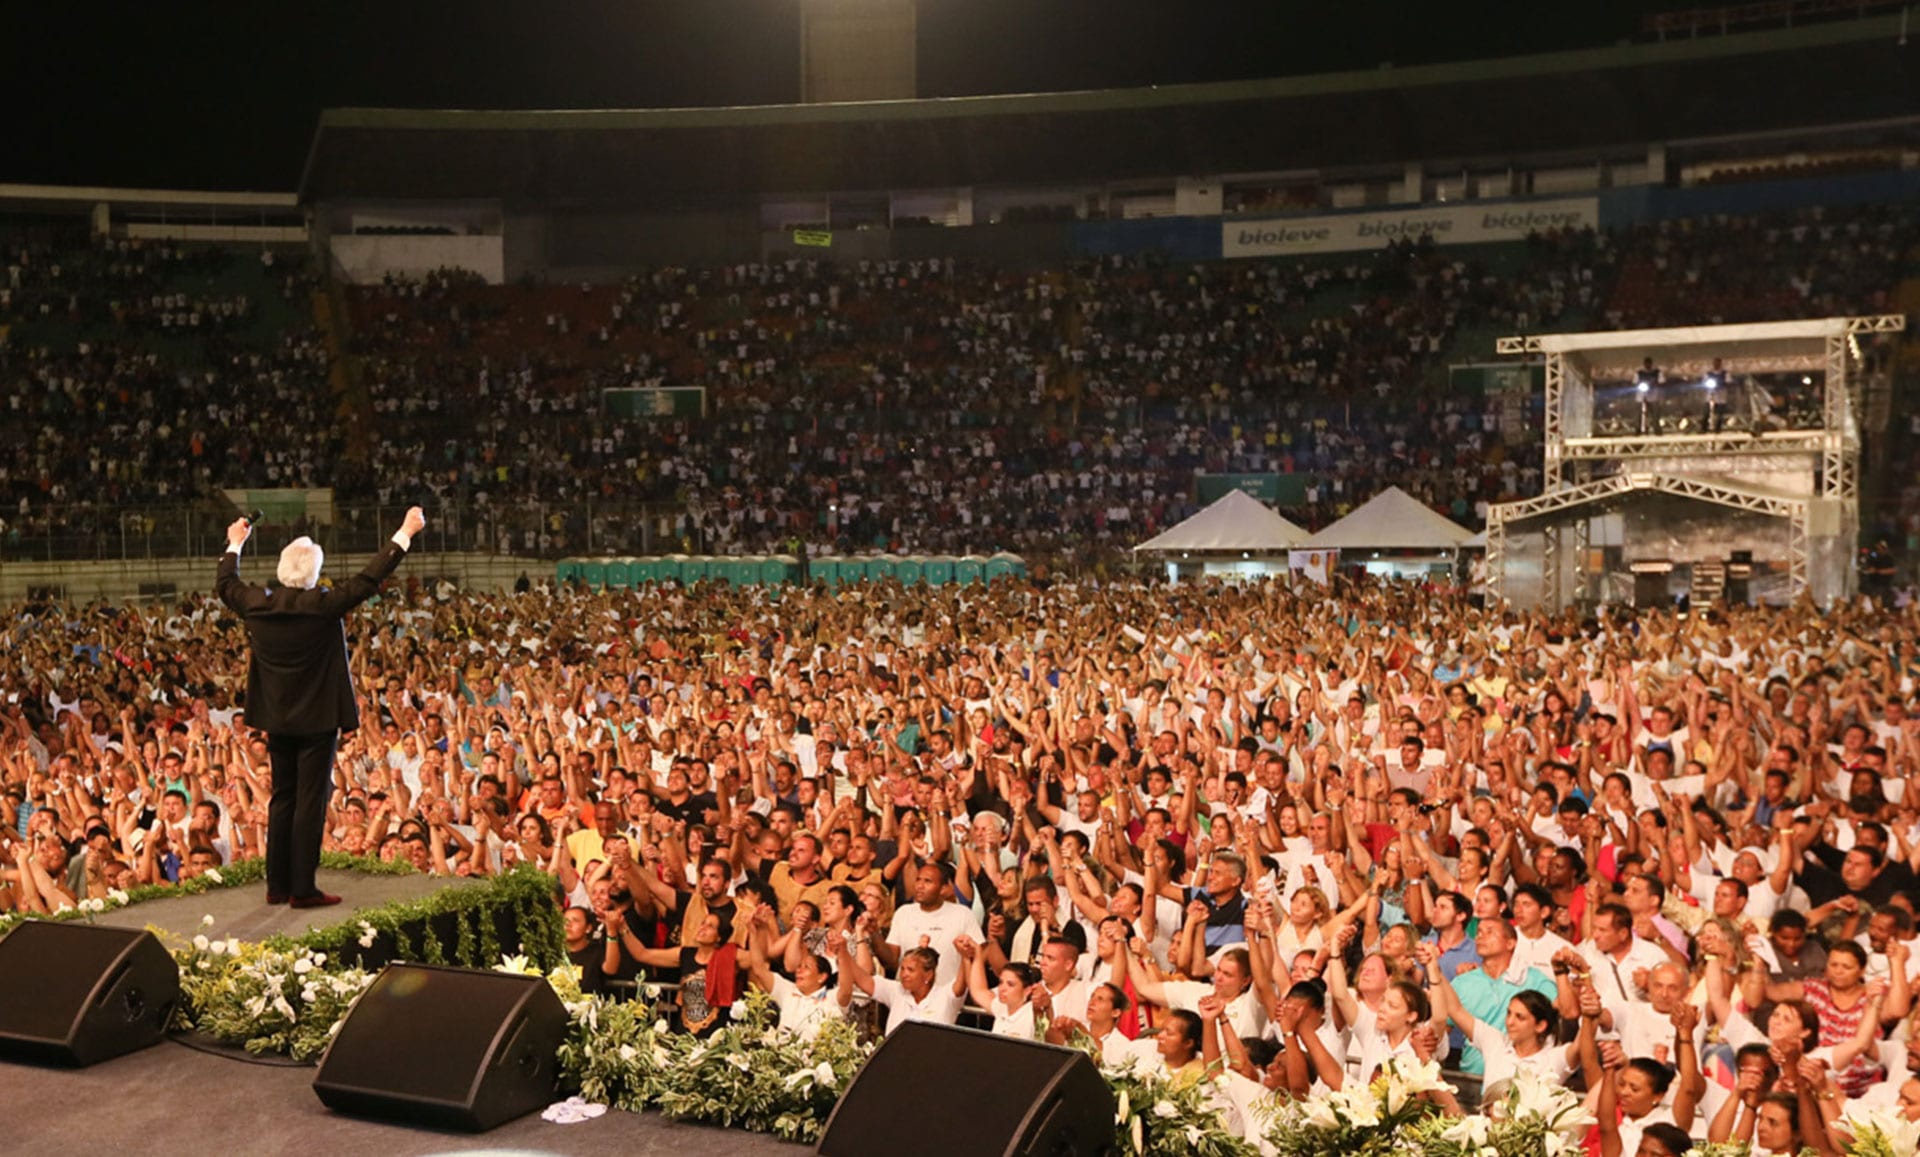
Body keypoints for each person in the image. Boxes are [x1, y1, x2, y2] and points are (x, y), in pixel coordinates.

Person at [217, 506, 425, 907]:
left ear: (281, 571)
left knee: (282, 798)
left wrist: (235, 543)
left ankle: (276, 886)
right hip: (316, 721)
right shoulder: (322, 604)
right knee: (310, 802)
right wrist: (405, 532)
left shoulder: (257, 604)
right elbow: (369, 579)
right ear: (314, 576)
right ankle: (302, 889)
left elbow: (226, 583)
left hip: (276, 718)